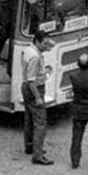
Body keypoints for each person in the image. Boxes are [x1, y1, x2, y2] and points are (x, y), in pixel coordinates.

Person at [21, 30, 54, 165]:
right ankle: (38, 154)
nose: (47, 46)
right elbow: (31, 81)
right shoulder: (35, 57)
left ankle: (29, 146)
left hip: (26, 88)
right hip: (35, 89)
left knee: (29, 118)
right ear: (37, 41)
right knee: (40, 122)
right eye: (44, 43)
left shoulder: (28, 50)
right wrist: (38, 98)